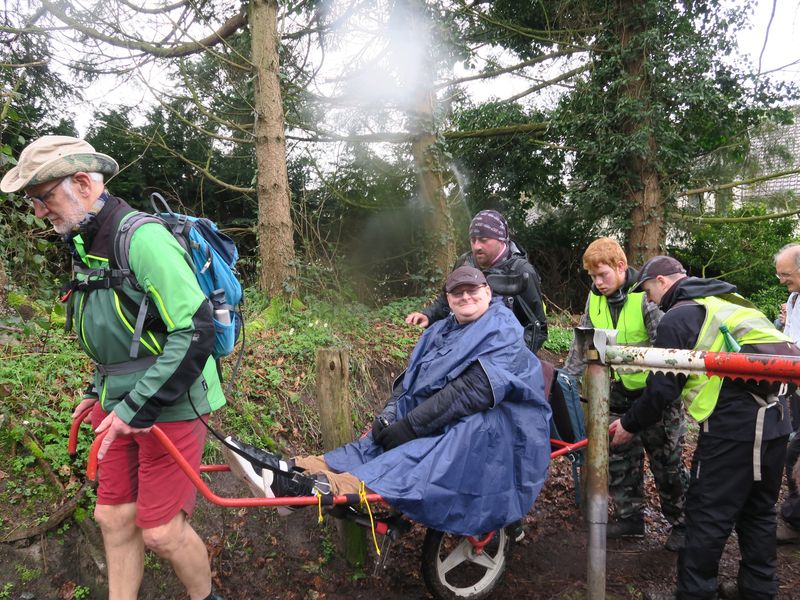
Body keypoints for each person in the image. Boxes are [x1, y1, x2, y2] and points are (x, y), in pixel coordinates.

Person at [0, 136, 225, 600]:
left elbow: (195, 329)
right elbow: (115, 331)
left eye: (43, 199)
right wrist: (94, 388)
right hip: (120, 398)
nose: (39, 213)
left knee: (161, 530)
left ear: (82, 183)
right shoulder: (85, 240)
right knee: (113, 517)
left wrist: (133, 408)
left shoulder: (142, 239)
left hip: (175, 400)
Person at [225, 266, 552, 535]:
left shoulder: (503, 330)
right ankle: (290, 469)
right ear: (448, 299)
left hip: (499, 427)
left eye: (473, 290)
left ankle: (312, 489)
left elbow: (472, 392)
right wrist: (391, 414)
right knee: (372, 445)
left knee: (420, 453)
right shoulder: (440, 331)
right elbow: (410, 380)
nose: (466, 296)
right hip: (440, 415)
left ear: (488, 293)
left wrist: (410, 426)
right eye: (457, 292)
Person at [611, 255, 800, 600]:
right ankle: (758, 590)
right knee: (758, 512)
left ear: (664, 282)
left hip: (732, 430)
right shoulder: (730, 301)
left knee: (705, 516)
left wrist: (628, 423)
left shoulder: (677, 317)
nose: (648, 299)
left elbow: (662, 390)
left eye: (648, 291)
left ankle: (694, 593)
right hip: (776, 418)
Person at [562, 239, 687, 549]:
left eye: (602, 274)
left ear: (620, 267)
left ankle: (683, 523)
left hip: (656, 394)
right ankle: (630, 518)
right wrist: (565, 381)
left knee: (667, 462)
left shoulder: (646, 298)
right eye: (592, 277)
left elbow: (667, 347)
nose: (597, 283)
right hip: (618, 390)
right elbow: (583, 343)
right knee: (619, 456)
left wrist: (657, 395)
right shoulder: (595, 300)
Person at [405, 209, 548, 353]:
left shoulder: (521, 271)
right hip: (462, 347)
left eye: (483, 240)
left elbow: (537, 328)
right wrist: (428, 315)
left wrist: (512, 356)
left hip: (504, 354)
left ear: (501, 239)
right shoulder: (464, 262)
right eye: (473, 240)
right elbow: (447, 298)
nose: (477, 246)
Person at [773, 243, 800, 544]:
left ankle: (793, 522)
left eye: (786, 274)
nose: (781, 280)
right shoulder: (793, 299)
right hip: (795, 388)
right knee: (792, 451)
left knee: (794, 453)